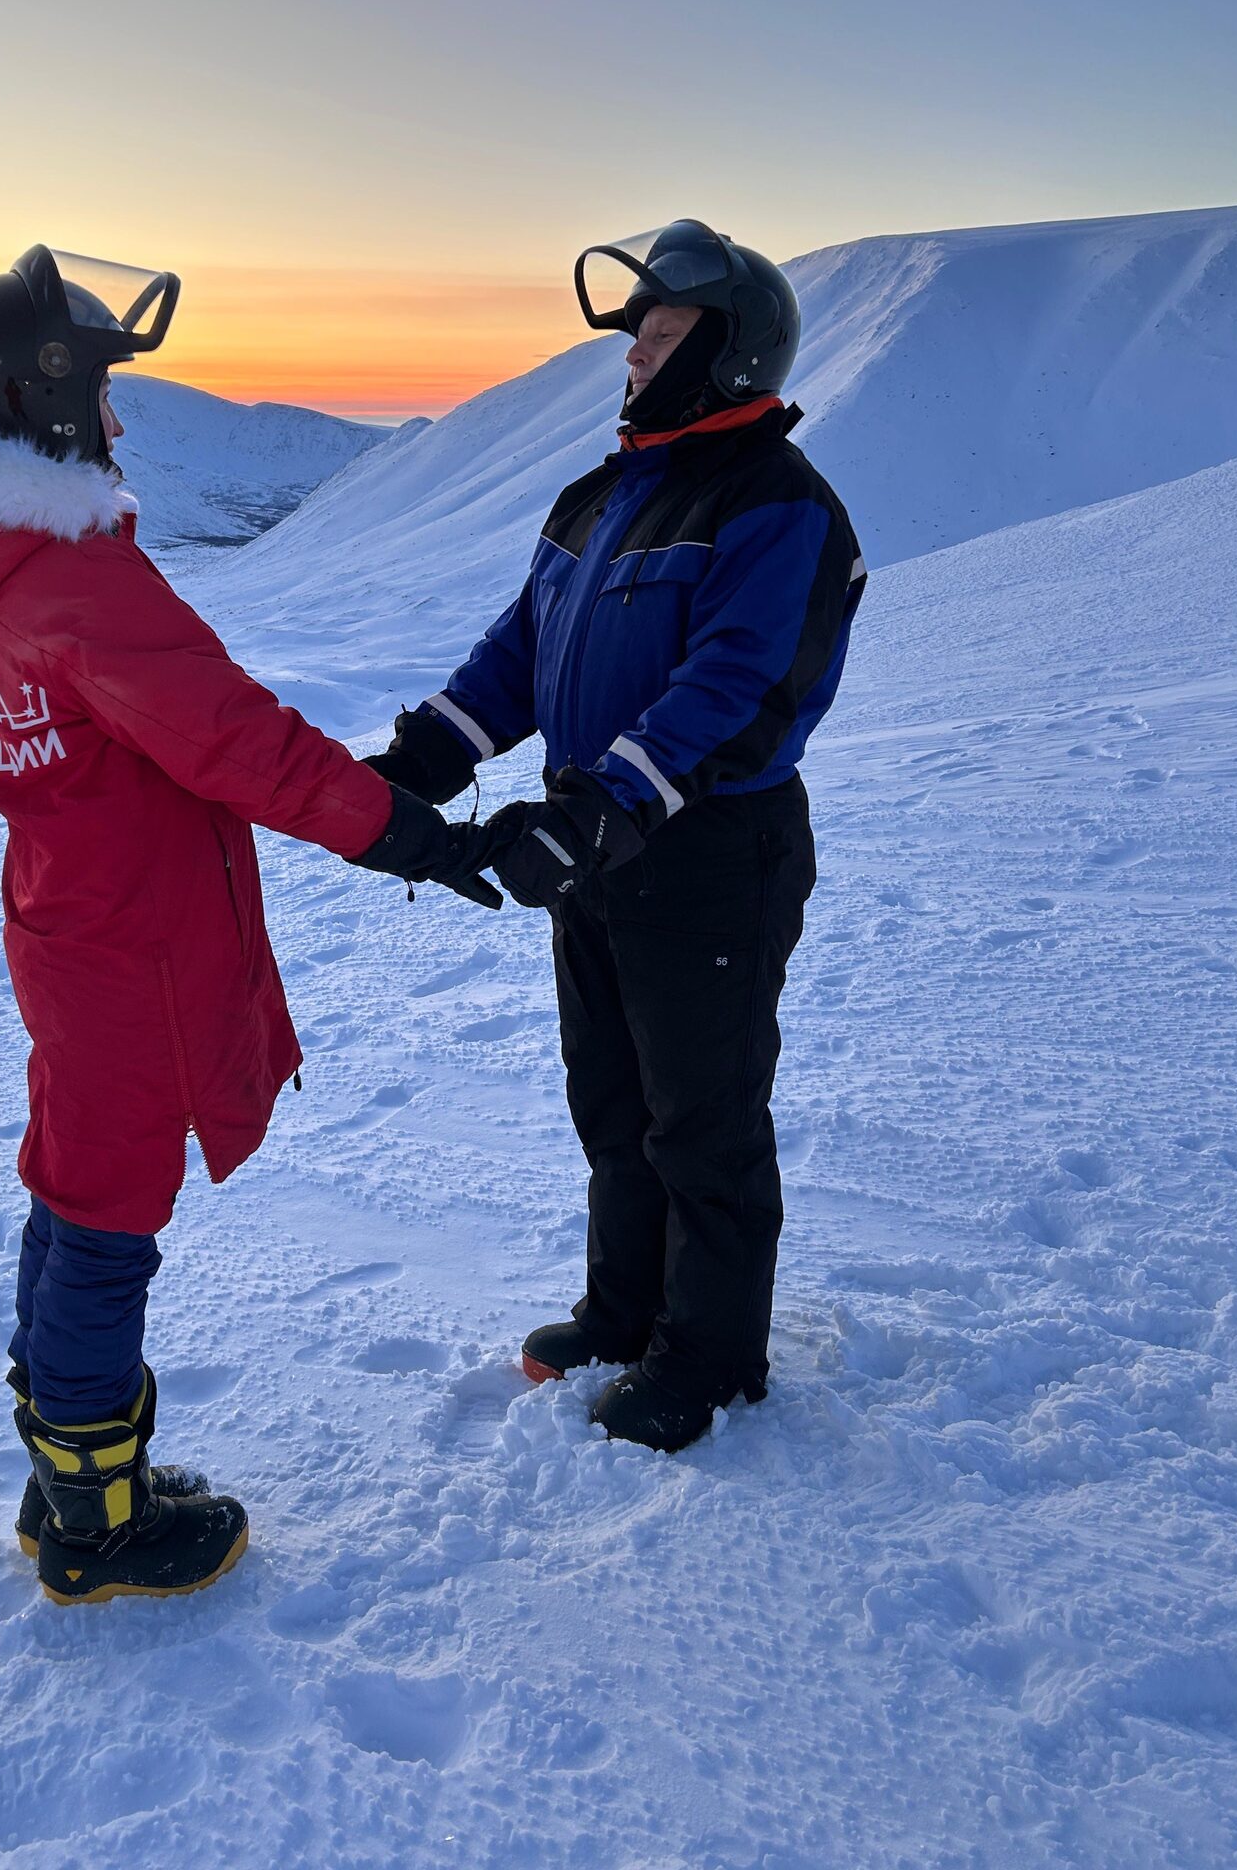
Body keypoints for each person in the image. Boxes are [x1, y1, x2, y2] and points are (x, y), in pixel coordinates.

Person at [0, 245, 493, 1602]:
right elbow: (233, 740)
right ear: (41, 408)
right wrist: (413, 837)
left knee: (72, 1187)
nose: (123, 426)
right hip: (128, 949)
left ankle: (67, 1475)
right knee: (105, 1215)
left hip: (73, 925)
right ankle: (95, 1521)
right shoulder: (71, 582)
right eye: (105, 397)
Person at [366, 221, 865, 1453]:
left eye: (657, 332)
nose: (632, 354)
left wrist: (605, 806)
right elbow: (523, 651)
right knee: (614, 1098)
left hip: (707, 854)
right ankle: (628, 1309)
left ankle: (710, 1356)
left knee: (703, 1112)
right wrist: (431, 750)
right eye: (634, 334)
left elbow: (736, 690)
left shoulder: (777, 505)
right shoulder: (603, 492)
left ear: (730, 352)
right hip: (599, 847)